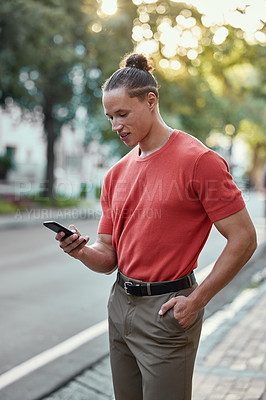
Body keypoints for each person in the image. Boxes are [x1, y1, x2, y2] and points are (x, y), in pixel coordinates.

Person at [56, 53, 257, 400]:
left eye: (122, 114)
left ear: (150, 101)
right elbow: (107, 258)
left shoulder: (200, 162)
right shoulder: (115, 174)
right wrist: (80, 251)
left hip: (168, 310)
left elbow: (244, 239)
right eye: (109, 117)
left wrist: (196, 300)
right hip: (120, 305)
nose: (115, 125)